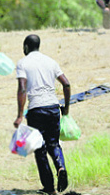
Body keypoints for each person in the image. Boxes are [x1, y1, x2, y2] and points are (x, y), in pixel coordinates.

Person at [13, 35, 71, 194]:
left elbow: (22, 89)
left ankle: (49, 188)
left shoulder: (22, 63)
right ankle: (61, 167)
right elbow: (66, 83)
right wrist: (66, 107)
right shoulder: (50, 61)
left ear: (25, 47)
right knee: (54, 143)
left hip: (36, 110)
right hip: (53, 107)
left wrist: (19, 115)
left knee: (40, 149)